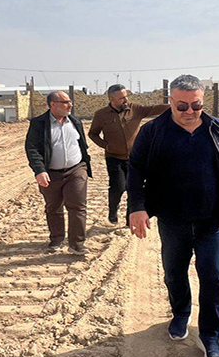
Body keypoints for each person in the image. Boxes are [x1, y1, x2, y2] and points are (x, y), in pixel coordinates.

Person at [128, 74, 219, 357]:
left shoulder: (217, 129)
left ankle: (210, 336)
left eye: (196, 105)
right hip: (173, 218)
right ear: (170, 102)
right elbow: (136, 170)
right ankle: (180, 314)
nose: (190, 112)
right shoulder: (153, 131)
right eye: (182, 106)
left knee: (213, 278)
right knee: (174, 273)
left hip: (211, 219)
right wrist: (137, 207)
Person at [88, 84, 169, 225]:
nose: (125, 100)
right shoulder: (101, 115)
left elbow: (154, 109)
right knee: (118, 187)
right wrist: (106, 146)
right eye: (121, 98)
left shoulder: (135, 109)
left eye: (126, 96)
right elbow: (93, 134)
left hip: (135, 158)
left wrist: (175, 104)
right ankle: (113, 211)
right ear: (112, 99)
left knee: (133, 188)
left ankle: (129, 218)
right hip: (114, 157)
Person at [25, 91, 92, 252]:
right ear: (53, 105)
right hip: (51, 173)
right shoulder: (38, 124)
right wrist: (39, 171)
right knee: (53, 207)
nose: (70, 105)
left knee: (77, 205)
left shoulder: (75, 121)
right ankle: (56, 239)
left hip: (76, 169)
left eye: (70, 102)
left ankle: (77, 244)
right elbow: (32, 148)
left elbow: (81, 144)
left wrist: (84, 162)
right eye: (65, 102)